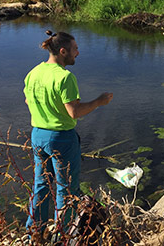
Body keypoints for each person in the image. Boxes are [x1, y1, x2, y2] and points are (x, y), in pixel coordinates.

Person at [24, 31, 113, 234]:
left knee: (41, 185)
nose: (78, 53)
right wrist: (99, 101)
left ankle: (34, 232)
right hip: (61, 139)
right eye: (75, 49)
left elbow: (28, 101)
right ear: (63, 51)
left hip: (37, 135)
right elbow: (74, 112)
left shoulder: (34, 72)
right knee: (66, 189)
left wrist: (45, 112)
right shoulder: (65, 77)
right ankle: (64, 235)